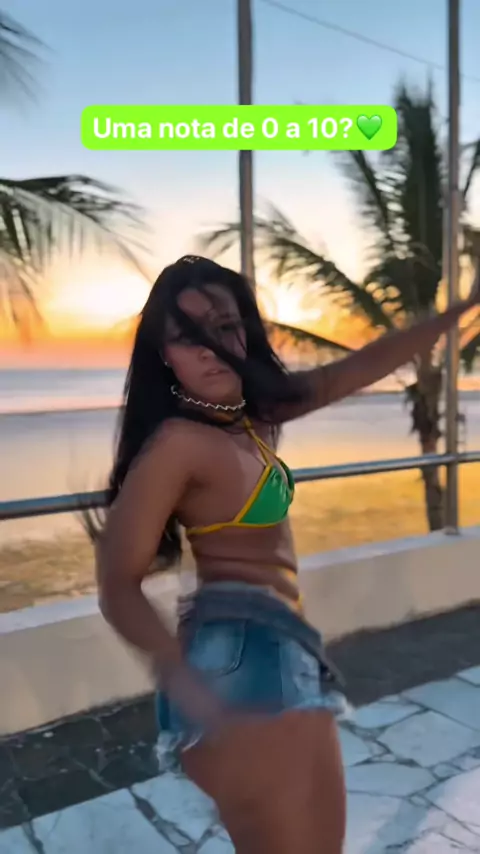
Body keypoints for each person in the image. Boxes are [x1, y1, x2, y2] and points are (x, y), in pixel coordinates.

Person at [90, 255, 479, 854]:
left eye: (224, 326)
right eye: (187, 337)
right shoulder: (179, 445)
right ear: (164, 355)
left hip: (283, 645)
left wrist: (461, 309)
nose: (210, 349)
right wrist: (183, 678)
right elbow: (118, 584)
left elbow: (363, 365)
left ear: (245, 330)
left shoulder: (252, 416)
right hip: (236, 658)